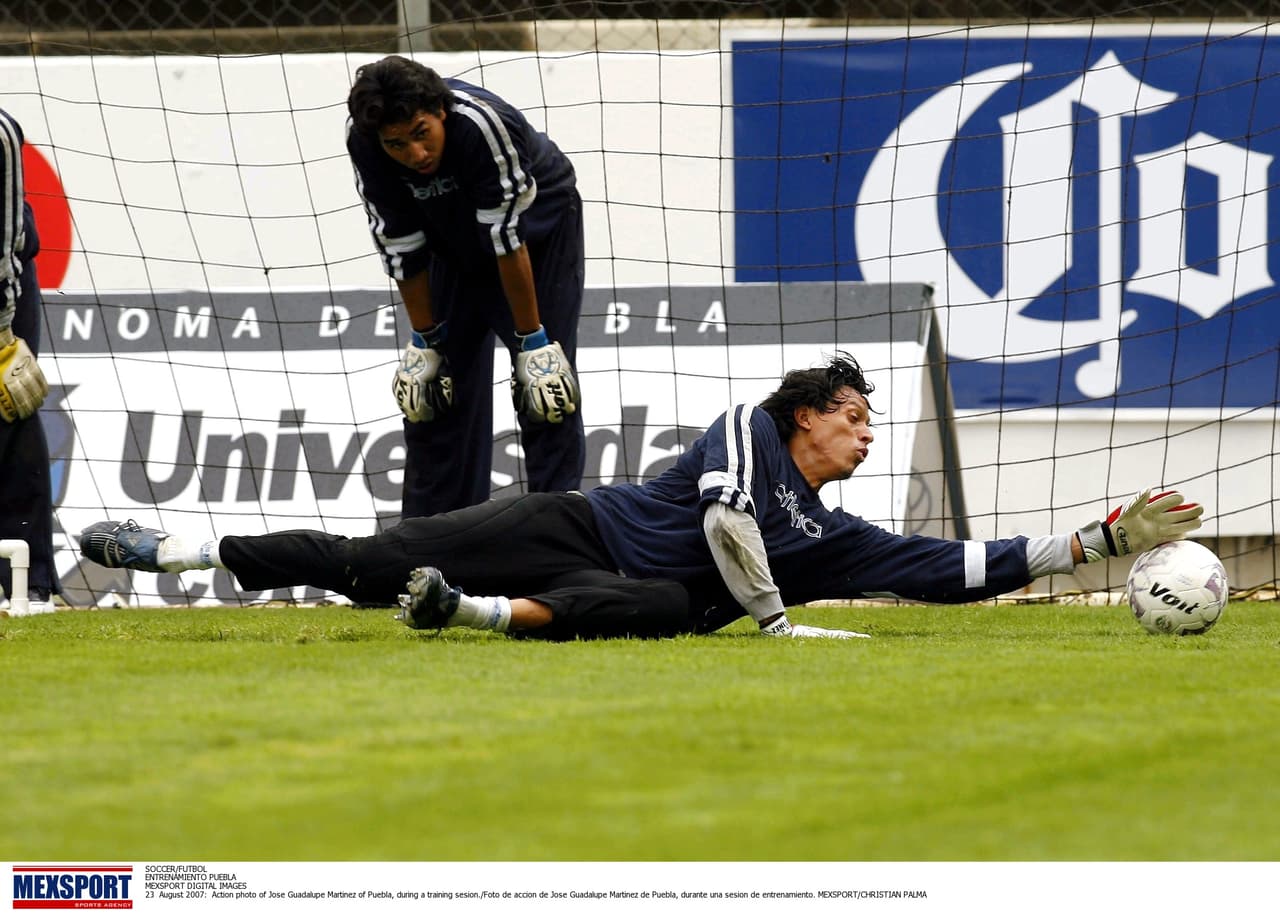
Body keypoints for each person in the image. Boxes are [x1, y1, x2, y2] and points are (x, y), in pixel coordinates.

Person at [77, 353, 1205, 641]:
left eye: (869, 421)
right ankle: (179, 550)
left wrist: (1098, 538)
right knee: (368, 553)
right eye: (853, 416)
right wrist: (773, 621)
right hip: (577, 523)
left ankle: (456, 615)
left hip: (634, 594)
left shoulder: (840, 536)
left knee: (663, 614)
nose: (865, 432)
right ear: (803, 413)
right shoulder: (743, 430)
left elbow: (956, 571)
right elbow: (722, 523)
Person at [346, 54, 585, 519]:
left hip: (536, 236)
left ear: (441, 112)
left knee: (545, 391)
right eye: (397, 144)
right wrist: (426, 344)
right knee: (433, 396)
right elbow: (401, 248)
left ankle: (555, 545)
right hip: (450, 239)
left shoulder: (479, 126)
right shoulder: (365, 142)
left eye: (421, 134)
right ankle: (432, 547)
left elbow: (507, 241)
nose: (415, 155)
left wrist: (533, 343)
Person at [0, 108, 59, 616]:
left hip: (4, 285)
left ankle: (28, 581)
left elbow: (6, 242)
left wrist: (2, 333)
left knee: (9, 409)